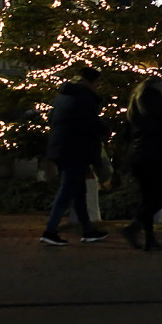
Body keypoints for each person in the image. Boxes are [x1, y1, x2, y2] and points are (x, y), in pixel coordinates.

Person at [40, 67, 110, 246]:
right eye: (97, 82)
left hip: (64, 148)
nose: (99, 86)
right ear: (91, 82)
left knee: (78, 192)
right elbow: (90, 123)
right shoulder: (83, 98)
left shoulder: (64, 95)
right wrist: (105, 130)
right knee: (67, 190)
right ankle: (50, 231)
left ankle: (87, 230)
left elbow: (52, 119)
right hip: (75, 149)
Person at [120, 76, 162, 251]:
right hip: (153, 153)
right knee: (160, 197)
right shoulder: (156, 100)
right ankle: (134, 227)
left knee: (147, 197)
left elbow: (127, 132)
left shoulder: (135, 103)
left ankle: (149, 239)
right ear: (158, 86)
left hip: (138, 155)